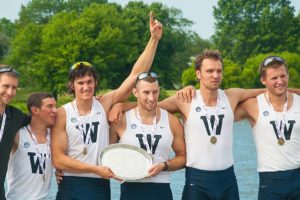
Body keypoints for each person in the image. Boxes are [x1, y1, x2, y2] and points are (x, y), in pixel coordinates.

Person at [109, 49, 266, 200]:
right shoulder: (185, 100)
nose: (215, 75)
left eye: (219, 71)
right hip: (197, 180)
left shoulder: (232, 95)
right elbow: (152, 104)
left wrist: (288, 90)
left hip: (227, 179)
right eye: (210, 71)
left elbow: (267, 92)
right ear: (198, 74)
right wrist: (121, 106)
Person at [51, 12, 163, 200]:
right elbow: (59, 159)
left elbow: (136, 74)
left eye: (89, 81)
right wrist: (95, 168)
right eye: (80, 83)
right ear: (72, 86)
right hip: (71, 184)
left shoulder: (104, 103)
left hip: (99, 185)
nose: (86, 87)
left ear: (95, 82)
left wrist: (154, 40)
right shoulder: (63, 113)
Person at [109, 72, 186, 200]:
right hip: (130, 188)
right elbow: (108, 156)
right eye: (146, 92)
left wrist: (164, 166)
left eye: (155, 92)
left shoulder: (172, 121)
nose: (151, 98)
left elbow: (183, 157)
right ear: (135, 92)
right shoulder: (120, 121)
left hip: (161, 189)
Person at [234, 56, 300, 200]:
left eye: (283, 76)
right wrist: (190, 90)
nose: (280, 81)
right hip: (270, 181)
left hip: (297, 177)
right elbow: (219, 108)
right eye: (274, 78)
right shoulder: (252, 105)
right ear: (263, 80)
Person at [6, 92, 57, 200]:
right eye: (50, 106)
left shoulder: (53, 136)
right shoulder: (18, 135)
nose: (55, 110)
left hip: (45, 197)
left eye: (55, 106)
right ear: (35, 110)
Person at [0, 65, 29, 200]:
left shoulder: (15, 116)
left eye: (14, 88)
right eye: (5, 86)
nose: (10, 92)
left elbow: (42, 117)